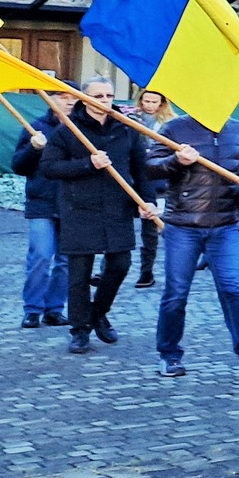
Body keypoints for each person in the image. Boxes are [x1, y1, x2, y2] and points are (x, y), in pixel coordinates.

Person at [149, 109, 239, 379]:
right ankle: (168, 355)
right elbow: (148, 167)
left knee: (233, 289)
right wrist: (177, 160)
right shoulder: (174, 129)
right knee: (176, 292)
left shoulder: (236, 128)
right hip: (183, 225)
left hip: (225, 224)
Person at [41, 77, 159, 355]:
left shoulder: (127, 129)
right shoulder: (68, 129)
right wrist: (87, 164)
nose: (104, 101)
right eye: (98, 96)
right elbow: (49, 167)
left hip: (117, 208)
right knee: (79, 273)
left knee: (120, 265)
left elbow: (142, 170)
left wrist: (148, 201)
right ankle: (80, 329)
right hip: (79, 209)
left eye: (108, 95)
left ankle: (98, 313)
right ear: (84, 98)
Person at [11, 91, 76, 329]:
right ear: (50, 99)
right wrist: (33, 148)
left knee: (66, 260)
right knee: (40, 256)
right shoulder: (35, 127)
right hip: (43, 202)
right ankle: (33, 309)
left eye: (74, 97)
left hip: (73, 203)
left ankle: (55, 309)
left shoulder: (82, 128)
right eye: (62, 96)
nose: (69, 102)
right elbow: (19, 166)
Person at [129, 88, 177, 287]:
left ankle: (146, 272)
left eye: (153, 102)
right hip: (132, 178)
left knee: (150, 229)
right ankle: (107, 269)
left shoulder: (170, 123)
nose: (148, 105)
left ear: (161, 103)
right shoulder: (132, 118)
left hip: (157, 181)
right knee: (118, 224)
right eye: (146, 101)